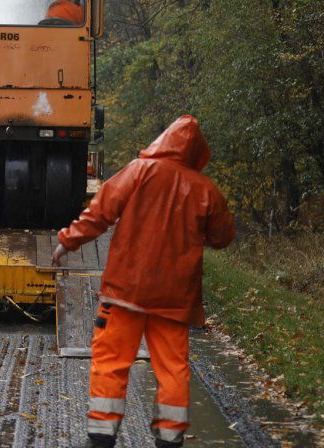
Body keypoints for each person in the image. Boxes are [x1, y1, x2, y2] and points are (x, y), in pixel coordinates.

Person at [52, 115, 236, 448]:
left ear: (163, 140)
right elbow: (223, 237)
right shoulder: (206, 190)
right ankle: (169, 439)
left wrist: (68, 240)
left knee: (111, 362)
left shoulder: (138, 171)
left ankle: (102, 437)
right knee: (172, 368)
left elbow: (101, 211)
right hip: (175, 297)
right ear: (197, 152)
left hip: (125, 290)